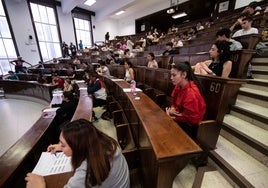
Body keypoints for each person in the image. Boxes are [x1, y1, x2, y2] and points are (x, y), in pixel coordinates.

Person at [25, 119, 130, 188]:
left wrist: (39, 186)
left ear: (77, 147)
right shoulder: (106, 143)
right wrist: (62, 147)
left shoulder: (88, 170)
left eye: (63, 144)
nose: (60, 146)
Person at [166, 61, 206, 139]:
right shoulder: (178, 85)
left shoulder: (191, 92)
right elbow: (174, 101)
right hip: (180, 116)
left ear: (184, 75)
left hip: (189, 125)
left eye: (174, 75)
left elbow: (190, 118)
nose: (171, 78)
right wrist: (172, 108)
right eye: (171, 75)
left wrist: (171, 118)